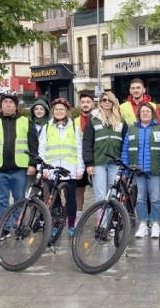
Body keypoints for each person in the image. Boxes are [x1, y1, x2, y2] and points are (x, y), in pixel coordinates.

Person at [0, 92, 37, 239]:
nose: (8, 105)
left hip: (20, 168)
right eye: (5, 102)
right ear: (1, 105)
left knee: (19, 199)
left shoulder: (25, 121)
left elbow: (34, 145)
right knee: (2, 201)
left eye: (11, 102)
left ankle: (18, 227)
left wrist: (32, 164)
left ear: (16, 106)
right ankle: (4, 229)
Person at [124, 103, 160, 238]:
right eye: (142, 111)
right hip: (137, 171)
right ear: (138, 114)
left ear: (152, 114)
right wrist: (126, 169)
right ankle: (143, 224)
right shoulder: (132, 129)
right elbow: (125, 150)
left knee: (155, 198)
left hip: (154, 170)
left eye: (148, 111)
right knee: (140, 198)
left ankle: (156, 224)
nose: (145, 113)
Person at [39, 98, 85, 237]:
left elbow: (79, 150)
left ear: (67, 112)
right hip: (52, 170)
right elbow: (42, 150)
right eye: (57, 109)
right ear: (53, 112)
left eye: (62, 109)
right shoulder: (46, 128)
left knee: (71, 199)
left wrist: (80, 169)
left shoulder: (74, 128)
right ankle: (57, 224)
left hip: (69, 169)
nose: (59, 111)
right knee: (54, 200)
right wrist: (43, 169)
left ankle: (71, 225)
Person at [83, 91, 125, 205]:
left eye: (109, 100)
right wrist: (89, 163)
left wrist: (124, 163)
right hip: (98, 163)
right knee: (100, 196)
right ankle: (103, 223)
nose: (107, 102)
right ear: (100, 103)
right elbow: (87, 143)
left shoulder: (121, 121)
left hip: (115, 163)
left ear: (114, 102)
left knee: (113, 195)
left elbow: (125, 144)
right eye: (104, 100)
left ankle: (112, 222)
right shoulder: (93, 119)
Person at [73, 91, 96, 220]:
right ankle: (78, 216)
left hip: (95, 160)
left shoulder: (98, 119)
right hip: (79, 161)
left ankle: (102, 217)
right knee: (78, 190)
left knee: (100, 191)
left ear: (93, 104)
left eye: (88, 102)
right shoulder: (74, 122)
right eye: (83, 102)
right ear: (79, 105)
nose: (85, 104)